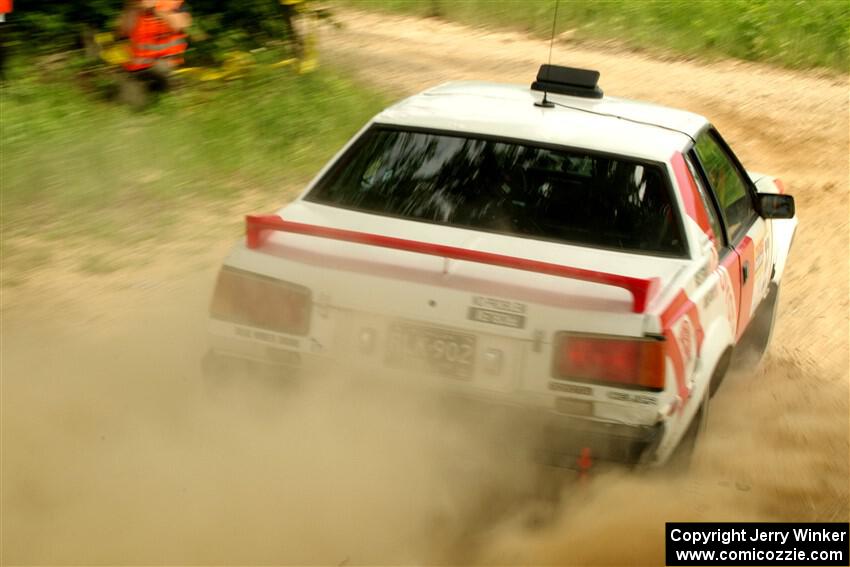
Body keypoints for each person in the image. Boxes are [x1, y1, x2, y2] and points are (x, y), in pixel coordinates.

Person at [118, 0, 191, 106]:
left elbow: (180, 25)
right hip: (138, 66)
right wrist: (131, 8)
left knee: (160, 69)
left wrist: (155, 9)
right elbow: (123, 31)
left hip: (165, 61)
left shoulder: (173, 3)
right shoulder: (135, 5)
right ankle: (148, 90)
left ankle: (173, 88)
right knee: (129, 102)